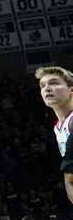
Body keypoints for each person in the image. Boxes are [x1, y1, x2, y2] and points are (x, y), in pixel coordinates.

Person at [35, 65, 73, 204]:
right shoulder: (58, 127)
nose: (47, 88)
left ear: (71, 90)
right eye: (42, 85)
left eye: (54, 83)